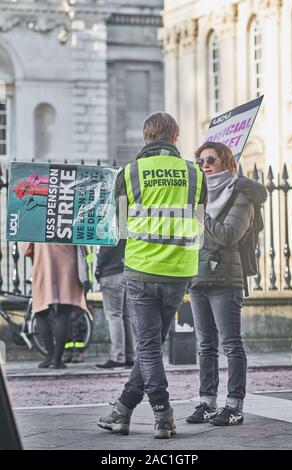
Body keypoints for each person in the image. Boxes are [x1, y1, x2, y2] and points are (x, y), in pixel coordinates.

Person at [97, 112, 206, 439]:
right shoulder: (194, 174)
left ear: (146, 138)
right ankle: (122, 410)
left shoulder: (129, 174)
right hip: (179, 270)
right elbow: (199, 225)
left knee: (147, 347)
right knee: (151, 343)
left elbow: (120, 226)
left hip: (142, 269)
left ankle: (163, 413)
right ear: (175, 137)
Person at [186, 142, 267, 426]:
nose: (204, 165)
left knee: (231, 344)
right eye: (200, 161)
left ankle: (234, 405)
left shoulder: (241, 195)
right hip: (197, 277)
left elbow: (229, 235)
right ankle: (207, 402)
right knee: (205, 344)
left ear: (226, 162)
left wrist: (198, 214)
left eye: (210, 159)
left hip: (225, 280)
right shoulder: (200, 194)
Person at [22, 243, 88, 369]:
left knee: (41, 311)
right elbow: (83, 241)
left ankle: (50, 355)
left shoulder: (36, 221)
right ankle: (58, 359)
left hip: (43, 265)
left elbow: (26, 248)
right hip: (68, 265)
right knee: (64, 312)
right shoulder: (71, 221)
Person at [94, 239, 135, 369]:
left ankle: (117, 357)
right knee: (126, 317)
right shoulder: (128, 223)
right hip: (127, 272)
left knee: (114, 316)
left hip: (111, 273)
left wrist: (98, 269)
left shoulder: (110, 225)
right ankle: (130, 356)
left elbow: (105, 251)